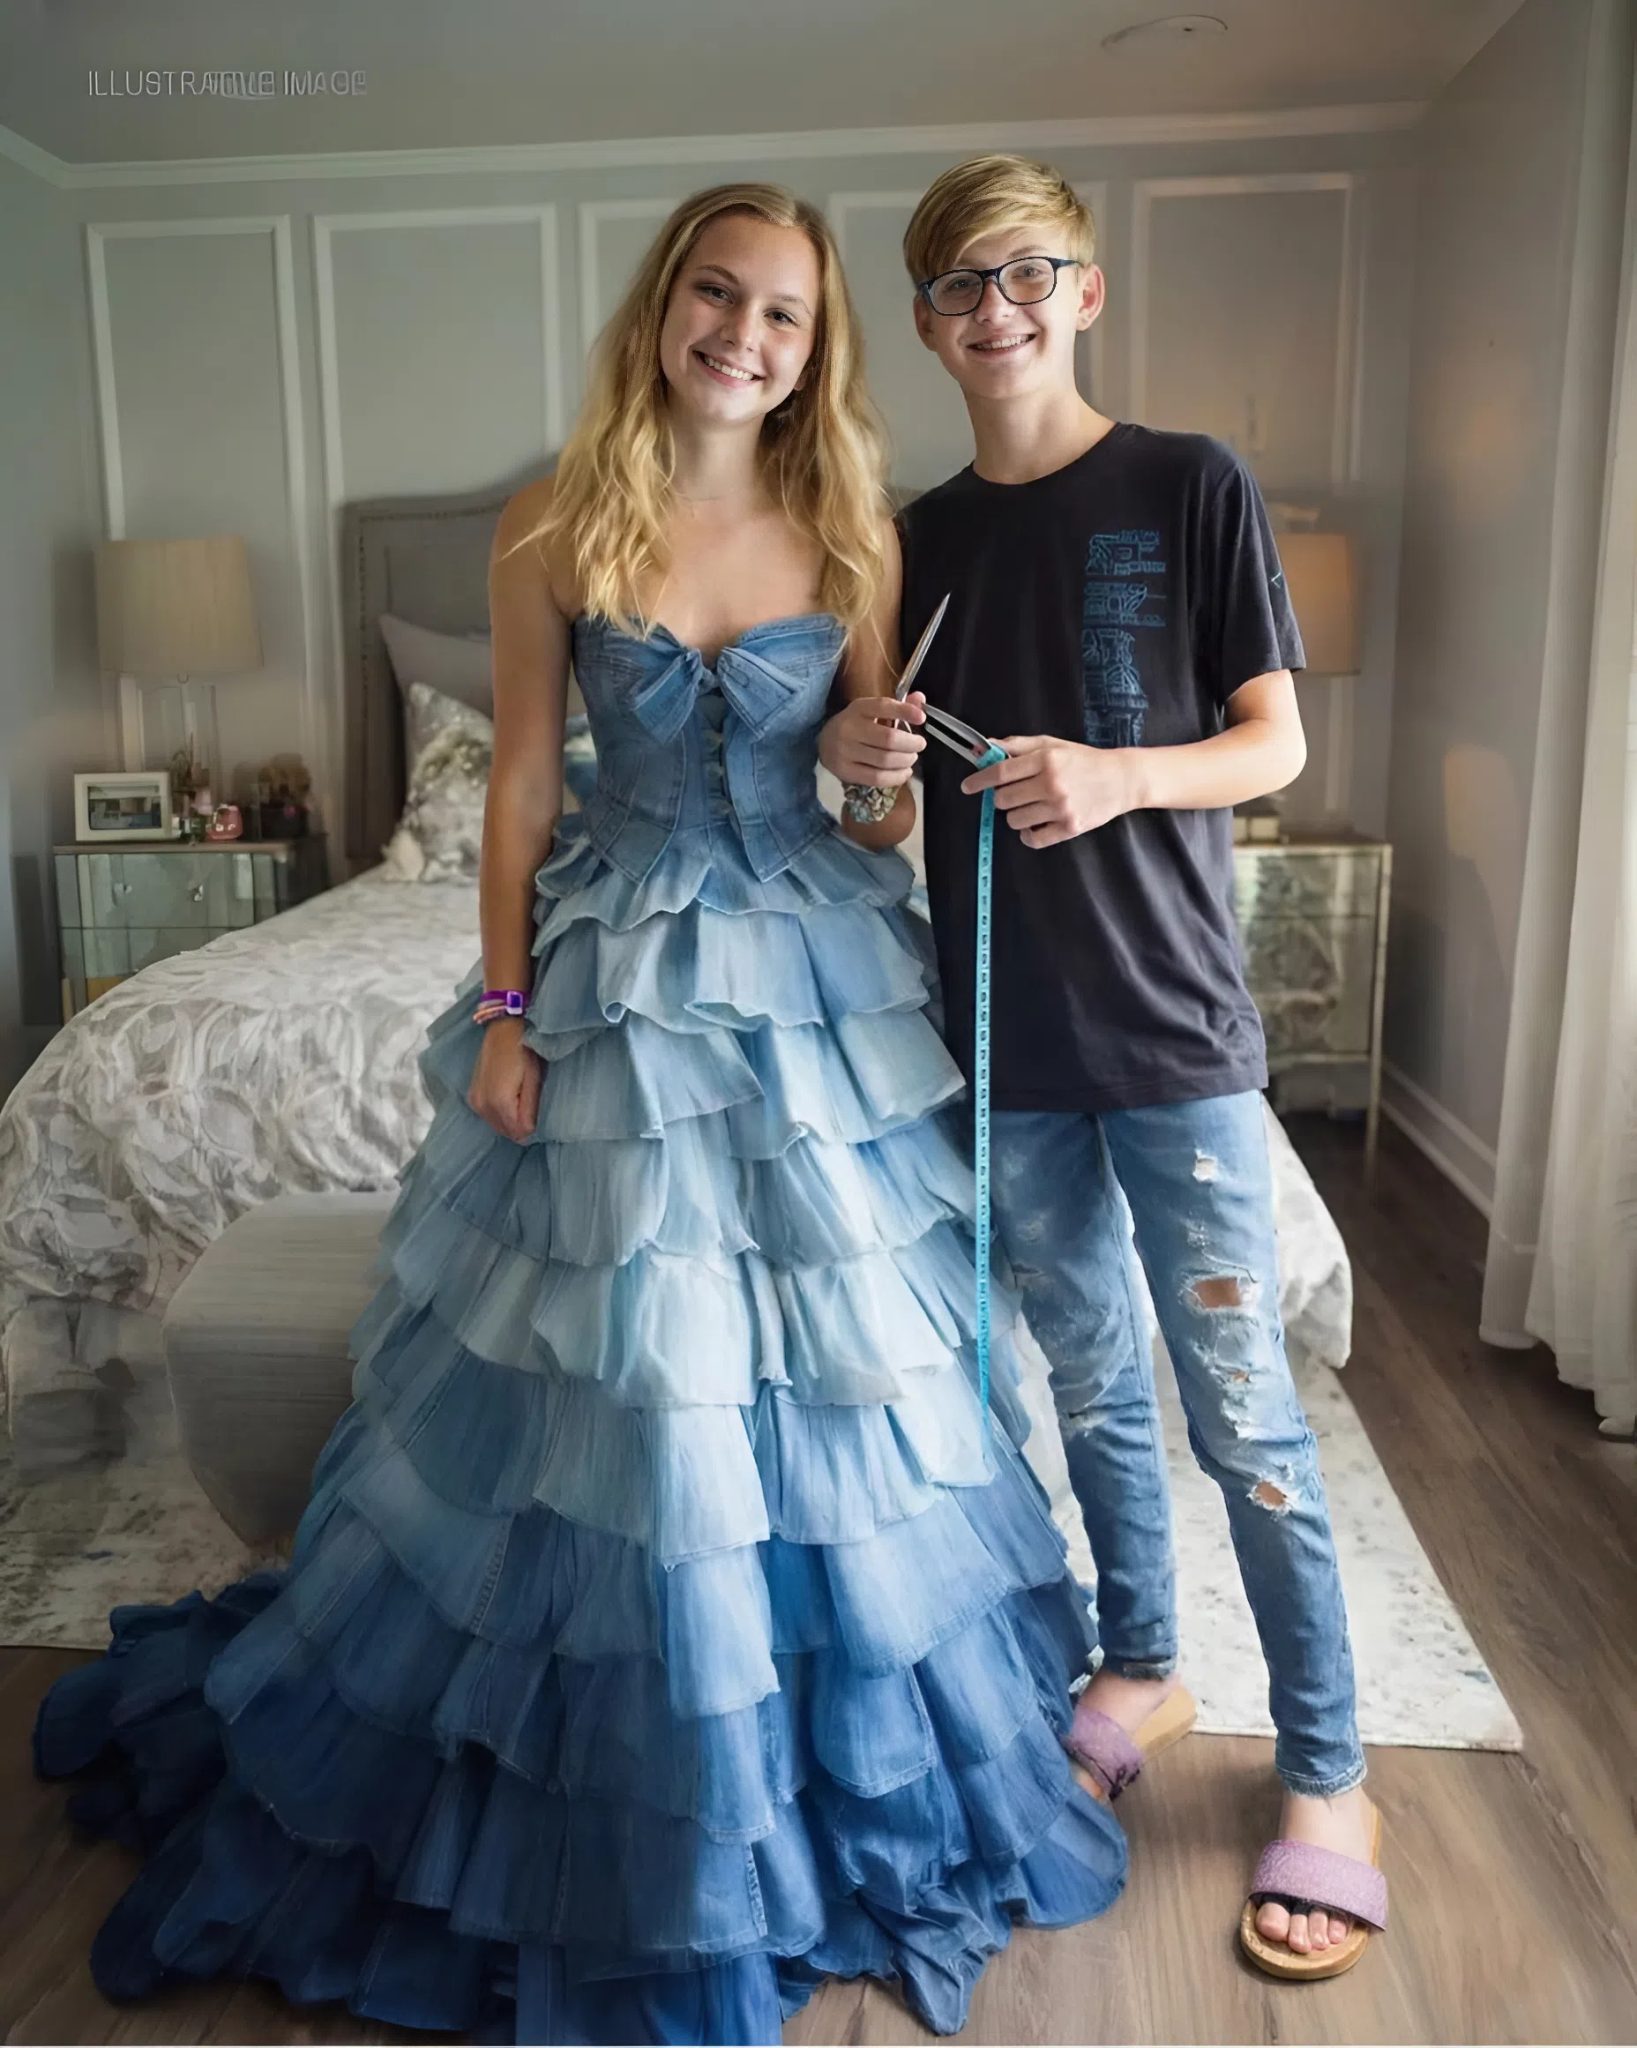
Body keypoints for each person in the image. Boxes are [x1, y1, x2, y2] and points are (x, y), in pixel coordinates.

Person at [31, 182, 1127, 2047]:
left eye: (782, 314)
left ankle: (794, 1758)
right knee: (626, 1351)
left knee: (837, 1357)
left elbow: (878, 816)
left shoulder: (848, 520)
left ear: (816, 349)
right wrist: (506, 1008)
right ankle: (603, 1752)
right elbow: (525, 784)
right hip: (611, 959)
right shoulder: (556, 517)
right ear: (662, 303)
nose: (743, 336)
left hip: (805, 969)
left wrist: (874, 771)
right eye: (717, 293)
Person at [819, 154, 1387, 1983]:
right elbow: (878, 821)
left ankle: (1327, 1772)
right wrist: (865, 768)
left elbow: (1271, 745)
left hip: (1174, 1037)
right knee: (1090, 1387)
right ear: (924, 324)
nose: (993, 308)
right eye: (957, 283)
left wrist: (1115, 773)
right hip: (1004, 1045)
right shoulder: (907, 540)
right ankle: (1140, 1661)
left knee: (1247, 1417)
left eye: (1024, 272)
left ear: (1082, 290)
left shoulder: (1187, 482)